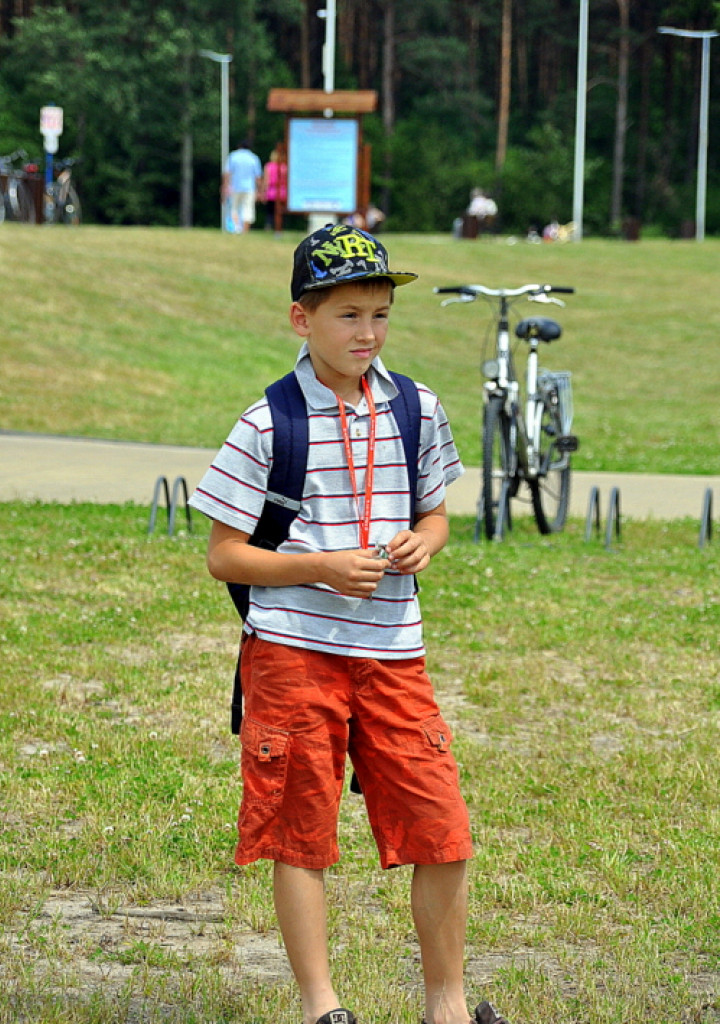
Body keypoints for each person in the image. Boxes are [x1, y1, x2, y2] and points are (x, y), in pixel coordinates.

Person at [188, 223, 510, 1024]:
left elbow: (435, 517)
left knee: (442, 827)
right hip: (294, 655)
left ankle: (449, 1006)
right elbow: (225, 556)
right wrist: (320, 565)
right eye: (348, 316)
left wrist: (421, 544)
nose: (367, 333)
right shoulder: (268, 424)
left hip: (396, 653)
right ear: (302, 318)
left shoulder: (417, 409)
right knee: (300, 831)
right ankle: (321, 1008)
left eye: (379, 314)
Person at [223, 139, 263, 234]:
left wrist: (225, 186)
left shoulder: (233, 156)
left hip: (235, 186)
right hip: (250, 188)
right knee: (248, 208)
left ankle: (236, 229)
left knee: (234, 208)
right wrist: (260, 190)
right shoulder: (253, 158)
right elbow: (258, 176)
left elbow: (227, 173)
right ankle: (245, 230)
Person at [262, 147, 287, 231]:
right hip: (282, 192)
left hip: (271, 192)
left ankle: (269, 226)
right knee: (280, 212)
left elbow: (266, 181)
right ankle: (279, 226)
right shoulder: (284, 167)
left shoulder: (269, 166)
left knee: (270, 212)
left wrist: (263, 192)